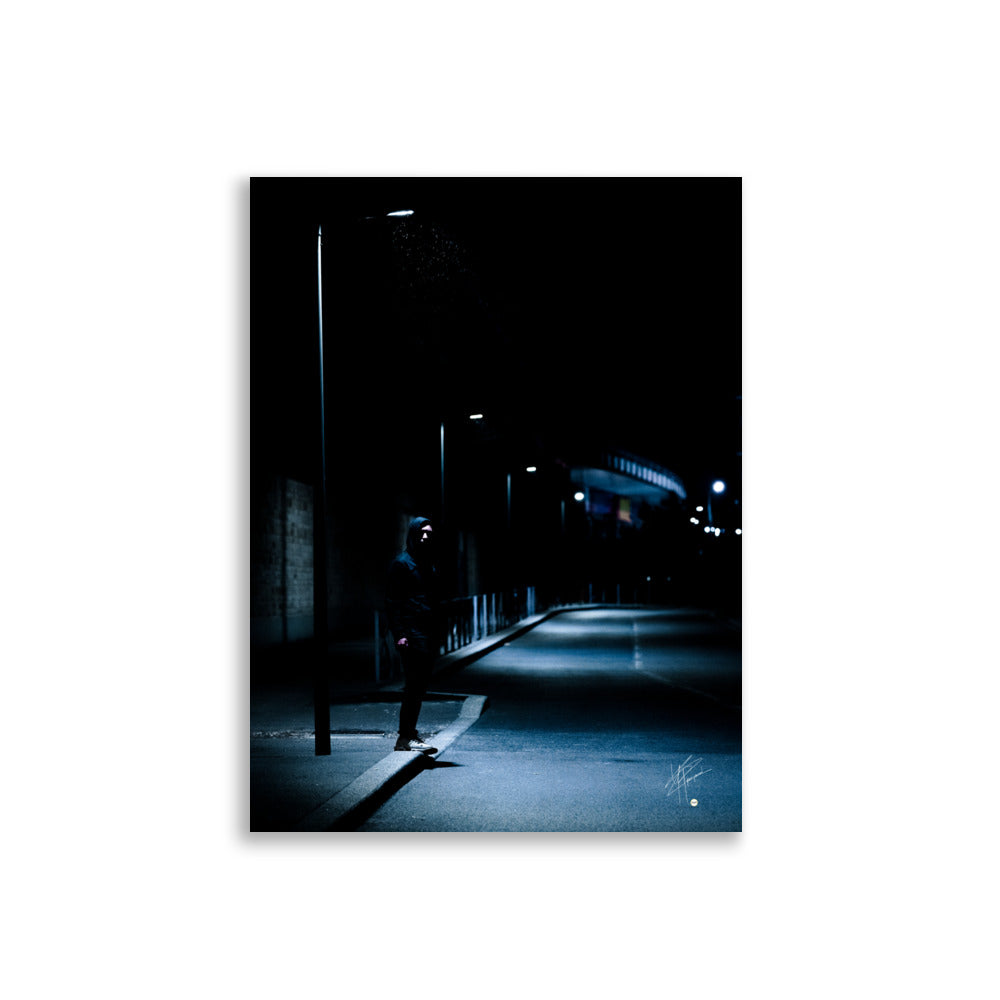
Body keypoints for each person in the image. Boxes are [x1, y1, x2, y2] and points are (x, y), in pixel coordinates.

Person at [385, 516, 439, 754]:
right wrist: (400, 634)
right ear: (413, 534)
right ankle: (405, 737)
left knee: (419, 686)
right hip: (411, 633)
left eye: (429, 532)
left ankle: (408, 734)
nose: (425, 536)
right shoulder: (402, 564)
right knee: (414, 686)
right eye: (421, 532)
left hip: (425, 632)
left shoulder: (427, 563)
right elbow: (393, 602)